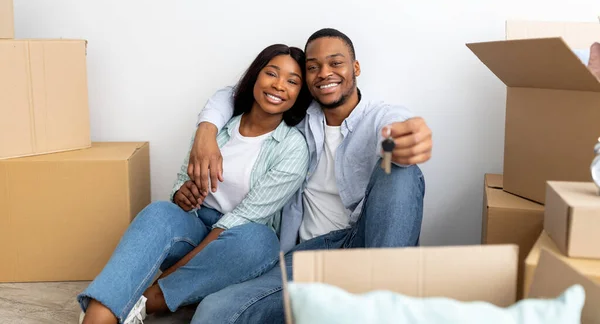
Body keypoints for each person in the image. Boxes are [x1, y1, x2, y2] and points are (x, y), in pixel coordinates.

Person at [185, 28, 433, 323]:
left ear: (355, 68)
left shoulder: (378, 116)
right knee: (215, 310)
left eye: (335, 63)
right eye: (313, 67)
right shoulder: (298, 117)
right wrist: (206, 130)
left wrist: (409, 136)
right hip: (304, 257)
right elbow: (232, 93)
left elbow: (397, 125)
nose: (324, 73)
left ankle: (382, 306)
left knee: (400, 169)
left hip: (366, 250)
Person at [77, 44, 312, 324]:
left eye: (292, 81)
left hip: (234, 247)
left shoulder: (292, 148)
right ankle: (99, 314)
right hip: (196, 224)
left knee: (260, 241)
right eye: (271, 73)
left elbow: (245, 217)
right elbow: (180, 183)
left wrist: (170, 276)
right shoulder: (216, 129)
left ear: (299, 94)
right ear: (255, 77)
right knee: (159, 212)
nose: (278, 85)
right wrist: (182, 195)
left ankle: (148, 301)